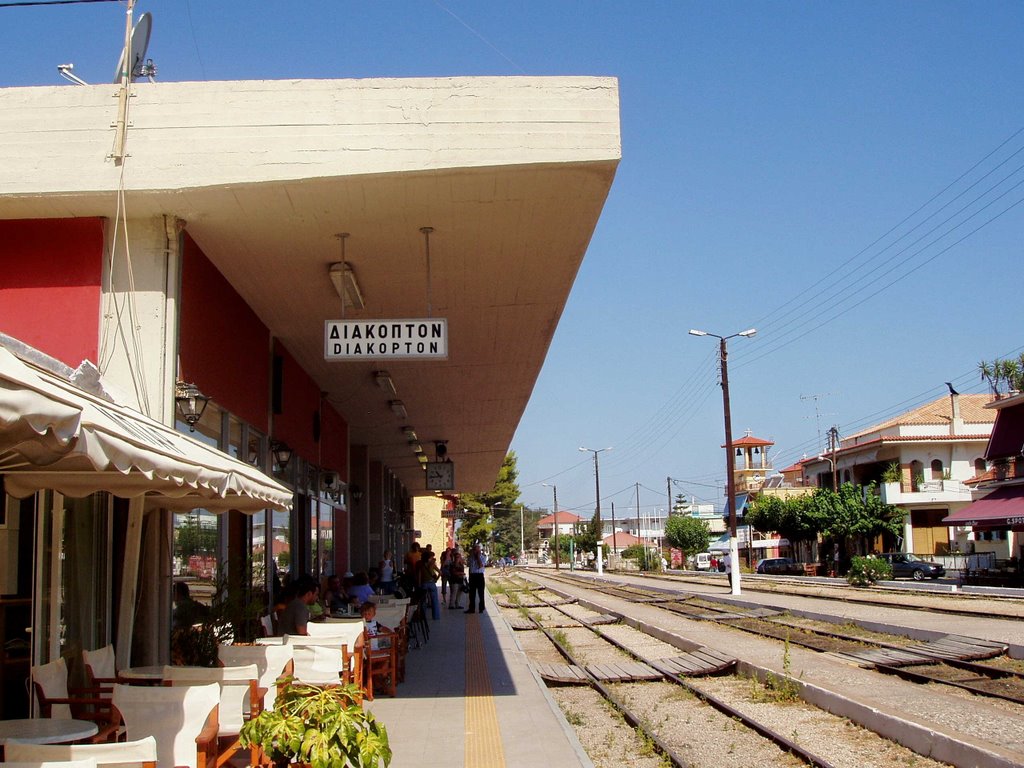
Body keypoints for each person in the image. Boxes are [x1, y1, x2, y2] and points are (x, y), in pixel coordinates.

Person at [416, 550, 441, 620]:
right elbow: (440, 572)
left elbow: (419, 575)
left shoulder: (420, 564)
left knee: (423, 600)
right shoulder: (432, 564)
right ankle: (436, 616)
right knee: (435, 600)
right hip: (432, 583)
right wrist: (436, 579)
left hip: (424, 583)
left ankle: (423, 616)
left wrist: (419, 584)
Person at [464, 542, 486, 614]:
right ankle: (471, 608)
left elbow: (480, 565)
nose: (476, 552)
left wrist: (478, 557)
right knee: (472, 594)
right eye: (475, 550)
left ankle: (481, 608)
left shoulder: (482, 557)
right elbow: (470, 567)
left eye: (477, 550)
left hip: (479, 576)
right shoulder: (471, 558)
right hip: (472, 576)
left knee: (481, 593)